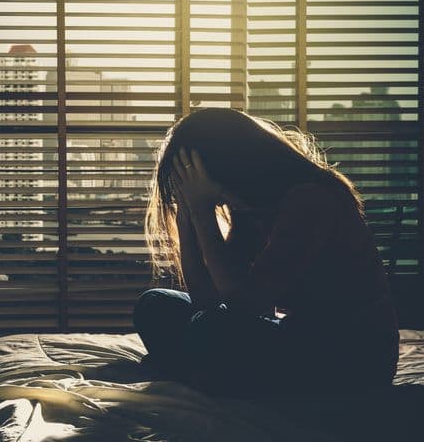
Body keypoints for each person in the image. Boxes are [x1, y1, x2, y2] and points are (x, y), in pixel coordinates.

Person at [134, 108, 399, 396]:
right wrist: (187, 215)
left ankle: (191, 370)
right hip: (298, 338)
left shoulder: (311, 200)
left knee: (211, 328)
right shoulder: (250, 209)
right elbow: (206, 300)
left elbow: (240, 304)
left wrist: (202, 212)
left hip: (349, 361)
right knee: (156, 304)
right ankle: (195, 370)